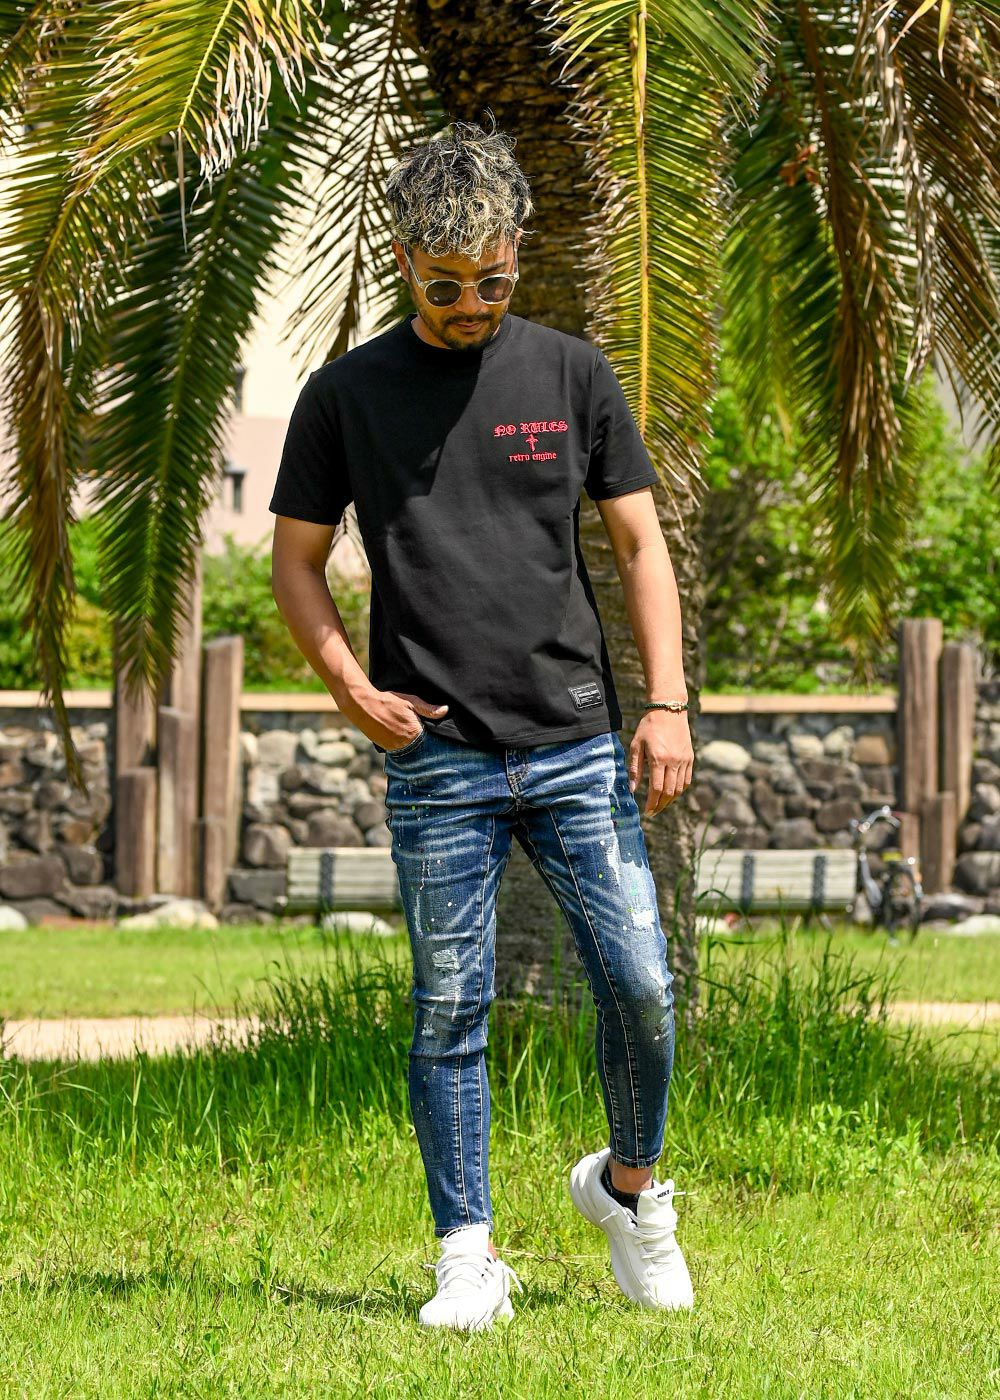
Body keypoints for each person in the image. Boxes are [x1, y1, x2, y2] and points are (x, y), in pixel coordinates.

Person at [268, 116, 695, 1332]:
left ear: (519, 254)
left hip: (574, 743)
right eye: (445, 284)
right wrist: (350, 685)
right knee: (450, 1007)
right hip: (436, 757)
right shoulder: (344, 395)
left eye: (493, 282)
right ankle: (467, 1252)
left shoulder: (570, 373)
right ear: (404, 259)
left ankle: (628, 1189)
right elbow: (296, 561)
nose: (470, 305)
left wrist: (665, 703)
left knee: (640, 985)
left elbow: (638, 543)